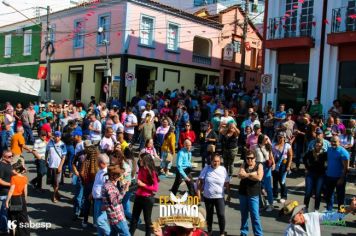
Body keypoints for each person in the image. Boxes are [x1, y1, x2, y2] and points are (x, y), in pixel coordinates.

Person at [197, 154, 230, 236]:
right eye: (215, 161)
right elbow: (200, 181)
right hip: (208, 196)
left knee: (221, 215)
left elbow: (227, 183)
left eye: (218, 161)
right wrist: (198, 193)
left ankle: (222, 232)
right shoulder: (206, 168)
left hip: (220, 197)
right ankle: (209, 231)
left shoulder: (223, 169)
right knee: (209, 215)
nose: (216, 163)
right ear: (211, 161)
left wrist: (229, 194)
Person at [284, 199, 356, 236]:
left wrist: (349, 208)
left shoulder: (313, 216)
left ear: (299, 212)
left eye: (292, 216)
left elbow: (331, 216)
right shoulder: (289, 231)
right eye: (290, 217)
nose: (291, 220)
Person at [130, 153, 159, 236]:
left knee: (147, 220)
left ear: (145, 160)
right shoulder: (141, 169)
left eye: (141, 159)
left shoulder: (152, 172)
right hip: (138, 196)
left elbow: (155, 188)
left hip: (147, 199)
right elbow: (139, 182)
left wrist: (143, 185)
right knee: (134, 219)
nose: (139, 160)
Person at [238, 150, 264, 236]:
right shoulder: (244, 164)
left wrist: (247, 175)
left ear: (255, 158)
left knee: (255, 216)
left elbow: (259, 177)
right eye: (247, 158)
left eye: (251, 158)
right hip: (243, 193)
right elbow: (239, 175)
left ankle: (258, 234)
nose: (249, 160)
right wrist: (252, 174)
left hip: (253, 194)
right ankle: (244, 232)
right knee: (244, 215)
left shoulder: (259, 165)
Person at [102, 164, 130, 236]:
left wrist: (123, 188)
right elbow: (114, 202)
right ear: (113, 176)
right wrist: (124, 191)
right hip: (117, 217)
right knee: (126, 234)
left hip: (113, 217)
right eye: (118, 175)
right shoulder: (110, 187)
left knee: (114, 233)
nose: (120, 176)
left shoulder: (109, 184)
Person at [324, 136, 350, 211]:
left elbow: (346, 168)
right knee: (329, 196)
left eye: (335, 141)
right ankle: (329, 213)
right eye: (332, 141)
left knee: (340, 198)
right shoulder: (329, 149)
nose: (333, 143)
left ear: (339, 142)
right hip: (329, 177)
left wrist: (342, 178)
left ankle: (340, 215)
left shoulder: (343, 152)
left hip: (339, 178)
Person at [252, 134, 275, 211]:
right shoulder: (255, 147)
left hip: (266, 167)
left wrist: (274, 164)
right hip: (258, 166)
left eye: (267, 139)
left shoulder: (268, 146)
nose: (267, 140)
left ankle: (271, 204)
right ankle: (261, 204)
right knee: (258, 186)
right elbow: (252, 157)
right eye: (265, 139)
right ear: (261, 139)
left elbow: (271, 156)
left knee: (268, 187)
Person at [303, 138, 327, 211]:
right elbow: (304, 159)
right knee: (308, 192)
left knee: (318, 193)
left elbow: (328, 162)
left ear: (322, 145)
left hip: (320, 175)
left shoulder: (324, 153)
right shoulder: (310, 152)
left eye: (320, 145)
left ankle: (316, 208)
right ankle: (305, 207)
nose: (318, 146)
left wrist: (325, 169)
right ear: (315, 145)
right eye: (317, 144)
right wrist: (307, 167)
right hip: (310, 174)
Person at [5, 162, 30, 236]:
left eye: (13, 169)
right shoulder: (25, 178)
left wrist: (7, 201)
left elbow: (11, 190)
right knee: (23, 217)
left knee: (13, 218)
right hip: (22, 199)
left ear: (17, 170)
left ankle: (14, 233)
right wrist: (25, 199)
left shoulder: (14, 178)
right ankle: (25, 233)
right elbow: (25, 190)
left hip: (14, 200)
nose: (11, 170)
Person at [92, 154, 111, 236]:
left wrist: (105, 203)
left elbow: (107, 190)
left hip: (102, 201)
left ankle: (110, 234)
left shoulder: (106, 174)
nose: (96, 163)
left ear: (102, 163)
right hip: (96, 199)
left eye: (98, 162)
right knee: (98, 220)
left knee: (100, 221)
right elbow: (96, 184)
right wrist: (91, 193)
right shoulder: (99, 171)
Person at [45, 131, 67, 203]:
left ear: (60, 137)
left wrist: (60, 166)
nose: (57, 138)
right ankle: (57, 193)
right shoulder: (50, 143)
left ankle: (54, 195)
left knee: (56, 182)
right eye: (55, 136)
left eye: (58, 136)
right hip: (51, 165)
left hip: (57, 166)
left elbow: (63, 157)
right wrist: (46, 160)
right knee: (52, 182)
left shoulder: (62, 145)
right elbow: (46, 151)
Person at [272, 132, 293, 204]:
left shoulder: (287, 146)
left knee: (282, 181)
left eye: (281, 137)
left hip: (283, 165)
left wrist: (288, 166)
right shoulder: (273, 145)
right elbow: (271, 155)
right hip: (275, 164)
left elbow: (290, 156)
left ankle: (283, 196)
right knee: (275, 181)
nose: (280, 138)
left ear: (284, 138)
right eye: (279, 137)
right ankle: (275, 195)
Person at [0, 151, 13, 233]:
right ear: (3, 157)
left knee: (7, 210)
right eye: (9, 157)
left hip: (9, 191)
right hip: (4, 192)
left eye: (12, 156)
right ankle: (3, 229)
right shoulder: (1, 166)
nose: (11, 158)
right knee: (4, 211)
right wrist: (11, 184)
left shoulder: (8, 163)